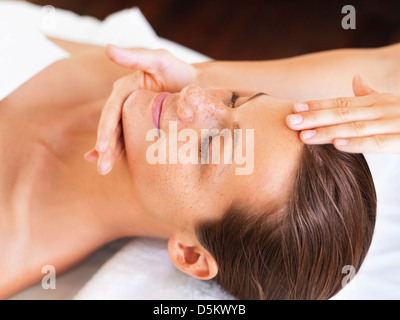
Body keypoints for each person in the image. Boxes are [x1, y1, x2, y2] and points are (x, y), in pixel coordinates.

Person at [1, 37, 397, 300]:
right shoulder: (138, 77)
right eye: (235, 98)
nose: (191, 97)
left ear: (191, 255)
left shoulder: (10, 244)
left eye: (208, 145)